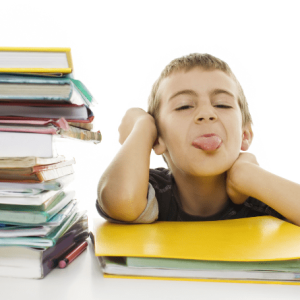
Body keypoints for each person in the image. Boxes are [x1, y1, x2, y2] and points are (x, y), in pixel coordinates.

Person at [96, 53, 300, 226]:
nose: (206, 113)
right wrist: (143, 126)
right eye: (184, 106)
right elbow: (120, 200)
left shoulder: (264, 194)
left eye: (222, 104)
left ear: (244, 135)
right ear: (157, 140)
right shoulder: (148, 191)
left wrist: (246, 175)